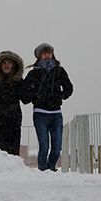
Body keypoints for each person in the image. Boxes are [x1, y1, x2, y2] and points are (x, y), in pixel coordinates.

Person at [23, 43, 73, 171]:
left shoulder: (59, 71)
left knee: (57, 148)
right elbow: (24, 91)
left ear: (52, 54)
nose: (47, 55)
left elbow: (69, 87)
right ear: (39, 56)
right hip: (40, 113)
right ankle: (43, 171)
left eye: (49, 52)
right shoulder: (34, 73)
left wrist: (61, 96)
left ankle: (51, 169)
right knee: (44, 146)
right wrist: (35, 96)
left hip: (56, 113)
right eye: (44, 53)